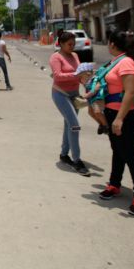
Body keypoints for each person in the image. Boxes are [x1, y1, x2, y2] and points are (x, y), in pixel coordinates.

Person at [98, 30, 134, 216]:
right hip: (112, 112)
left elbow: (130, 93)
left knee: (129, 154)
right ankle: (114, 184)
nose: (107, 45)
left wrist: (120, 118)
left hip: (123, 116)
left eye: (108, 42)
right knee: (118, 151)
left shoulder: (127, 63)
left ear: (113, 43)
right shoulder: (116, 62)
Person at [49, 31, 90, 176]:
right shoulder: (56, 57)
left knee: (69, 124)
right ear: (61, 44)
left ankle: (64, 154)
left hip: (74, 94)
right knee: (74, 125)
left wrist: (86, 79)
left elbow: (79, 73)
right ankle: (77, 160)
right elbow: (58, 76)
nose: (72, 47)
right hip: (60, 94)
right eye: (69, 44)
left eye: (74, 44)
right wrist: (76, 75)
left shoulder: (75, 56)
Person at [74, 62, 110, 134]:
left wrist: (86, 96)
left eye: (81, 76)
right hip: (91, 98)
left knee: (97, 112)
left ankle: (106, 126)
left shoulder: (95, 79)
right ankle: (101, 124)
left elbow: (96, 89)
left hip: (97, 98)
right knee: (90, 112)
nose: (80, 78)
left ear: (87, 73)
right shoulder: (86, 81)